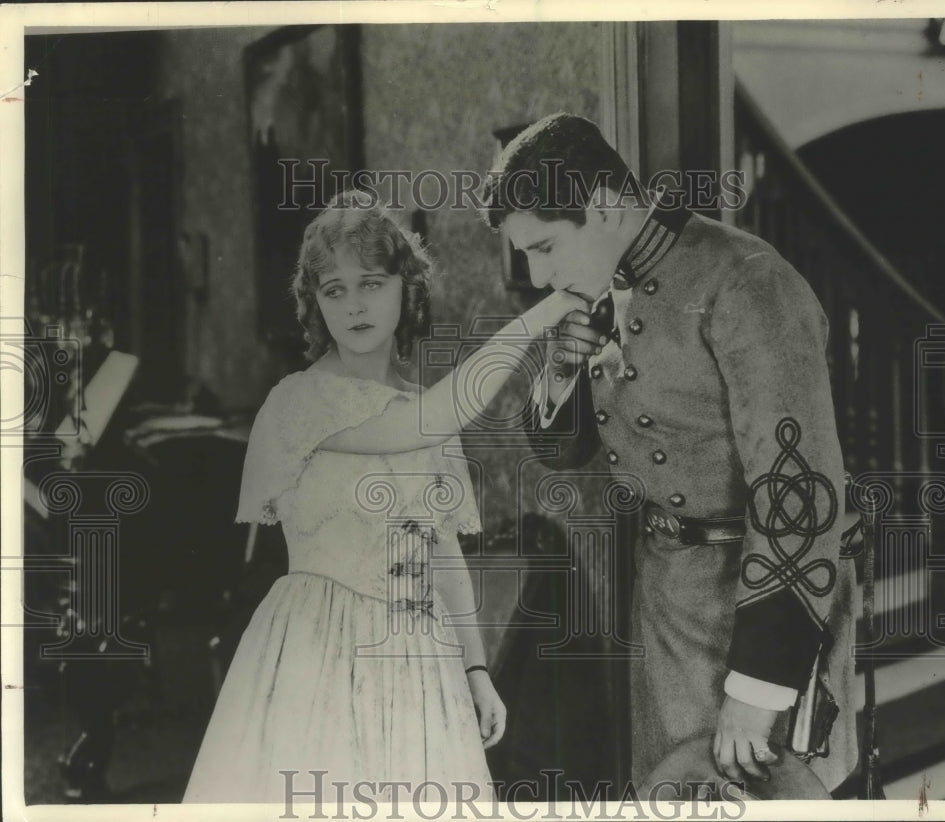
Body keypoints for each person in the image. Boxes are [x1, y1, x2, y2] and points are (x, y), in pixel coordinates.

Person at [481, 113, 858, 795]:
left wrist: (760, 683)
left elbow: (801, 496)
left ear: (600, 205)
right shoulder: (602, 287)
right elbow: (562, 453)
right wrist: (560, 371)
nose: (539, 277)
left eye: (543, 248)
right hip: (664, 602)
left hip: (756, 608)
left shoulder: (747, 284)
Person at [183, 190, 586, 804]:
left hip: (418, 658)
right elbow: (435, 416)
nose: (355, 305)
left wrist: (476, 670)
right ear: (314, 303)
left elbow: (443, 547)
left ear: (406, 288)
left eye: (371, 283)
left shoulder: (422, 409)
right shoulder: (298, 402)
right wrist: (549, 309)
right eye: (334, 290)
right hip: (318, 650)